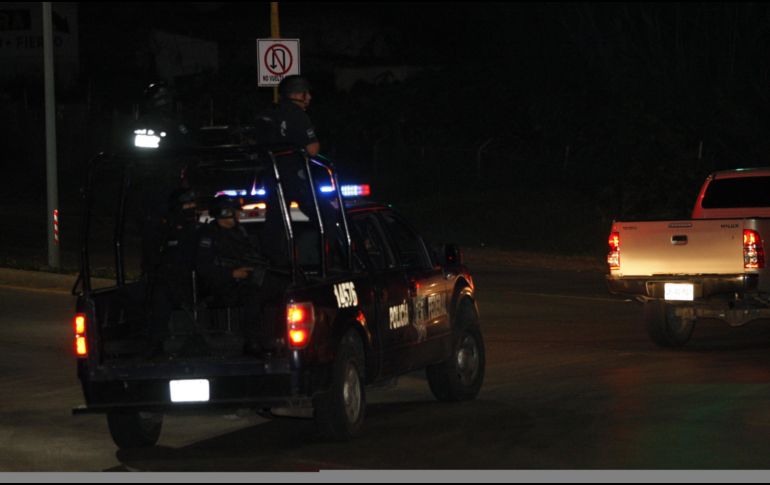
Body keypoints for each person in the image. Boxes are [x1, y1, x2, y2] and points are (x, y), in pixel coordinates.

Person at [196, 197, 269, 351]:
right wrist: (232, 274)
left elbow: (251, 254)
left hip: (240, 281)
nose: (237, 215)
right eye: (234, 211)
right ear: (225, 213)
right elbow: (204, 268)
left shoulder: (240, 232)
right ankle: (252, 342)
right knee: (252, 296)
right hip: (218, 287)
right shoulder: (209, 235)